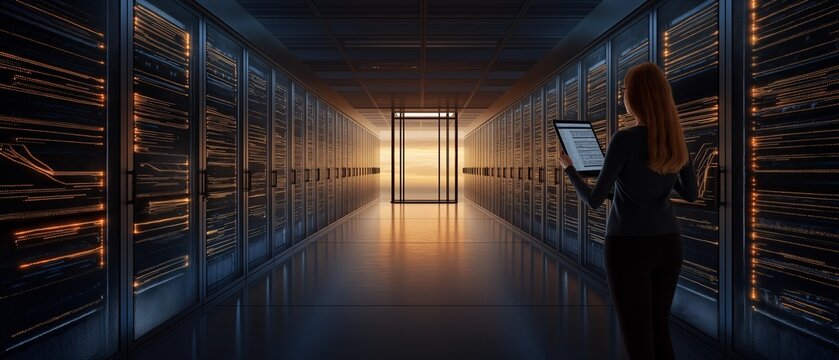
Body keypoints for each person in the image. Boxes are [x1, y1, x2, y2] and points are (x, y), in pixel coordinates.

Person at [558, 62, 698, 360]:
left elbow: (593, 200)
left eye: (624, 90)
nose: (623, 95)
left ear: (634, 96)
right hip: (669, 244)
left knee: (638, 340)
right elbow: (691, 193)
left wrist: (570, 169)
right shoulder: (675, 139)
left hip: (628, 246)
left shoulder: (624, 139)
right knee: (659, 332)